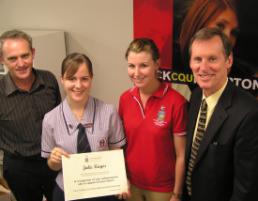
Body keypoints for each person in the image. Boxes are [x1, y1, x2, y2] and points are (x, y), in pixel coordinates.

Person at [184, 27, 258, 201]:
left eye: (212, 59)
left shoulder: (249, 113)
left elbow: (245, 189)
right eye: (197, 59)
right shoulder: (195, 96)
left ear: (229, 60)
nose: (203, 67)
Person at [41, 52, 126, 201]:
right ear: (62, 79)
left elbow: (116, 152)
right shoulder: (50, 120)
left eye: (84, 79)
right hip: (67, 192)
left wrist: (121, 180)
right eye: (71, 79)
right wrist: (53, 161)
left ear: (91, 78)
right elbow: (52, 166)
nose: (78, 85)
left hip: (104, 191)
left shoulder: (109, 112)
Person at [119, 38, 187, 201]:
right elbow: (120, 145)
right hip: (132, 186)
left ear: (157, 64)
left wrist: (176, 194)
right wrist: (122, 179)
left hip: (163, 190)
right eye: (131, 66)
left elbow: (181, 155)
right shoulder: (125, 99)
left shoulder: (176, 102)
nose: (136, 73)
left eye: (143, 65)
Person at [0, 29, 61, 201]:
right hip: (19, 168)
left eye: (25, 55)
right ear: (2, 59)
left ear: (33, 53)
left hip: (53, 160)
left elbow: (60, 119)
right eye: (12, 58)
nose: (21, 63)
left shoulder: (49, 80)